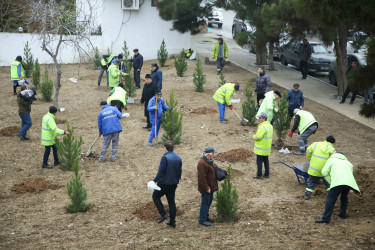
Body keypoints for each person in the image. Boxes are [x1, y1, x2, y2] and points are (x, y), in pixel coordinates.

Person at [315, 153, 360, 223]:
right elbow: (349, 175)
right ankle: (343, 214)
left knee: (330, 199)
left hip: (337, 183)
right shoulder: (349, 163)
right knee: (344, 197)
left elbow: (324, 172)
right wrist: (349, 187)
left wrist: (331, 182)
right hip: (348, 183)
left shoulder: (331, 160)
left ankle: (325, 218)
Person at [152, 141, 182, 228]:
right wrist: (178, 178)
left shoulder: (165, 158)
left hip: (164, 183)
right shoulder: (178, 157)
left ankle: (163, 214)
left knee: (155, 197)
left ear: (165, 148)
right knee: (171, 201)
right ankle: (172, 221)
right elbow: (179, 170)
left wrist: (155, 181)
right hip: (173, 183)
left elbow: (161, 171)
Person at [197, 146, 227, 226]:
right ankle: (202, 220)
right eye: (213, 153)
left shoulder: (209, 161)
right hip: (207, 188)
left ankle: (206, 217)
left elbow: (216, 168)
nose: (214, 155)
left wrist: (224, 172)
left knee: (208, 202)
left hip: (211, 186)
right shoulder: (202, 163)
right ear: (209, 154)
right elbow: (201, 178)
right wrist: (206, 188)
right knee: (205, 203)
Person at [304, 136, 336, 200]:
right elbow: (333, 160)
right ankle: (331, 195)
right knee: (328, 183)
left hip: (314, 169)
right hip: (325, 170)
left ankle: (307, 194)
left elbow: (308, 150)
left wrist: (309, 158)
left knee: (311, 182)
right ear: (332, 143)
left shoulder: (316, 144)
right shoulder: (332, 150)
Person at [252, 112, 273, 179]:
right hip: (267, 148)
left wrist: (254, 136)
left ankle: (259, 175)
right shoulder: (270, 126)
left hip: (261, 148)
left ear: (264, 119)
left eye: (260, 118)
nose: (259, 119)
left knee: (259, 162)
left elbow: (258, 137)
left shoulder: (262, 127)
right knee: (266, 161)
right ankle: (267, 174)